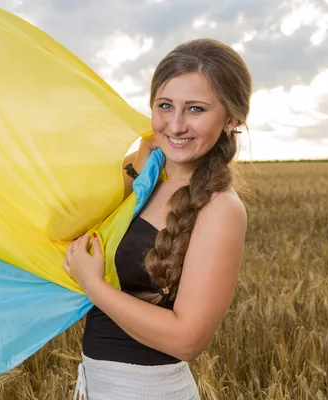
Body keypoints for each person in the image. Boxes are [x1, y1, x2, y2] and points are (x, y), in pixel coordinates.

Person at [63, 38, 251, 399]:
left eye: (195, 109)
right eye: (165, 106)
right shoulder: (147, 179)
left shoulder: (221, 209)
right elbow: (71, 225)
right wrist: (135, 167)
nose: (176, 125)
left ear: (231, 118)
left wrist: (94, 287)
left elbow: (187, 340)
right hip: (99, 385)